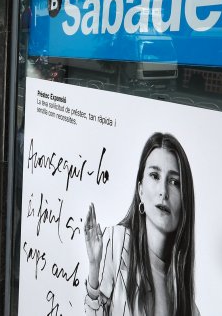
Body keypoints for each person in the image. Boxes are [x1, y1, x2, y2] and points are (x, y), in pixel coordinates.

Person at [83, 132, 199, 316]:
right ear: (140, 191)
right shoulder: (117, 242)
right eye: (154, 175)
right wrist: (94, 271)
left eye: (174, 181)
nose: (163, 191)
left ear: (185, 202)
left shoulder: (186, 303)